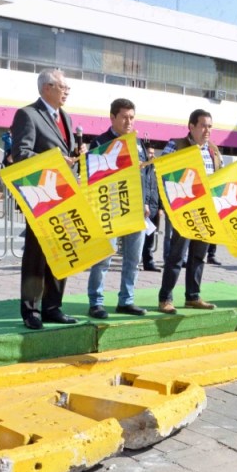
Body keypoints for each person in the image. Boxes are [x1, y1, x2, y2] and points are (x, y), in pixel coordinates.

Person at [10, 68, 78, 329]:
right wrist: (53, 160)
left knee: (62, 251)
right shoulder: (27, 115)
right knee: (36, 256)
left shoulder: (67, 118)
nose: (67, 91)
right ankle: (31, 311)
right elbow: (21, 154)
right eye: (63, 87)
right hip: (40, 196)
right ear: (47, 88)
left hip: (63, 196)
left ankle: (53, 306)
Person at [86, 98, 153, 319]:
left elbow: (143, 175)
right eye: (124, 117)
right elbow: (93, 179)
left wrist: (145, 202)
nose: (129, 121)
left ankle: (127, 300)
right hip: (110, 210)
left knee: (133, 259)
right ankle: (96, 302)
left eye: (132, 117)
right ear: (112, 117)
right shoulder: (99, 143)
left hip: (135, 210)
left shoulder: (137, 143)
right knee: (103, 259)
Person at [157, 108, 222, 313]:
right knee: (177, 255)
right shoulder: (175, 145)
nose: (207, 130)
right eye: (203, 125)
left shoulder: (213, 150)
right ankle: (165, 298)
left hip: (205, 212)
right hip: (182, 210)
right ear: (191, 126)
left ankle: (192, 296)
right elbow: (162, 174)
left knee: (199, 255)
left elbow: (219, 179)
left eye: (210, 126)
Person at [141, 145, 161, 272]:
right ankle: (137, 262)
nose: (151, 155)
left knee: (150, 237)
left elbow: (160, 189)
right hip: (144, 208)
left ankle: (148, 262)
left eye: (153, 153)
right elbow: (144, 188)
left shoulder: (155, 169)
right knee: (139, 237)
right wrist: (145, 203)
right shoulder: (142, 168)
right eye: (149, 152)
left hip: (154, 207)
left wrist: (161, 208)